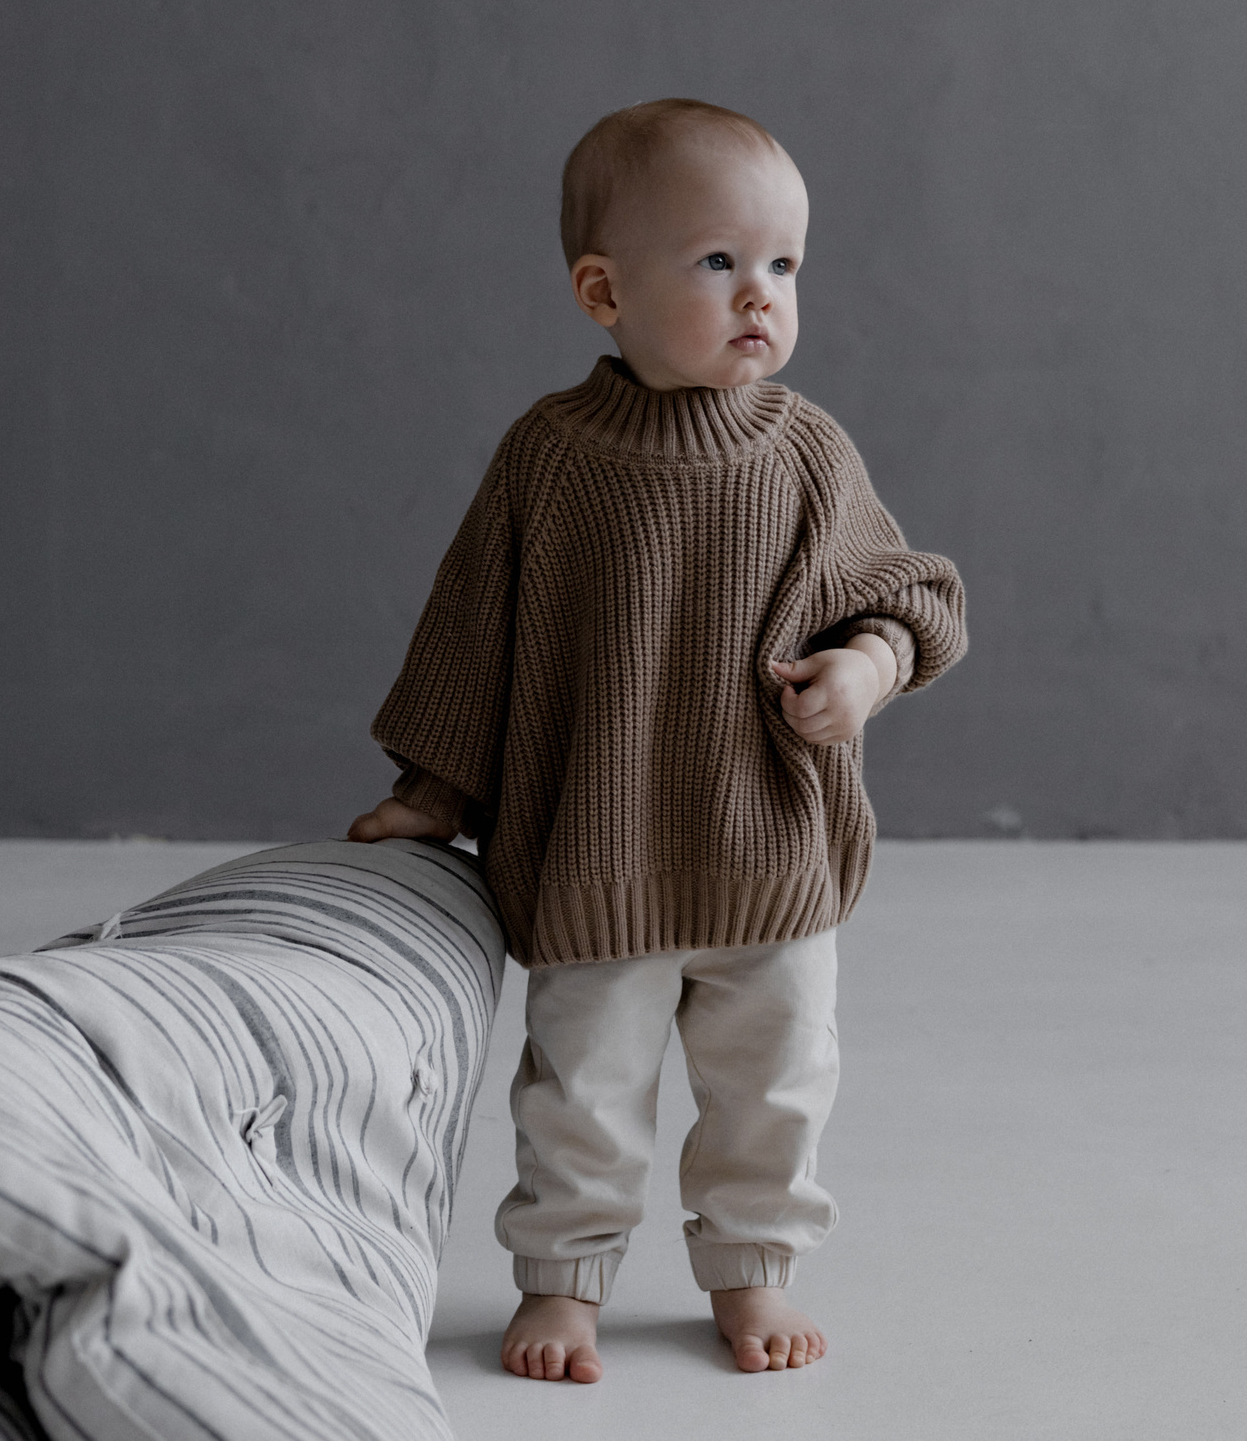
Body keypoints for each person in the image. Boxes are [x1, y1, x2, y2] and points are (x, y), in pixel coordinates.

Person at [349, 99, 965, 1382]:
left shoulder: (804, 453)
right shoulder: (553, 459)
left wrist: (867, 666)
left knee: (774, 1087)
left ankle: (753, 1267)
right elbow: (478, 632)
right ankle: (564, 1281)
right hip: (599, 853)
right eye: (719, 262)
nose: (762, 296)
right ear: (600, 290)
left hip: (770, 858)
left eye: (785, 265)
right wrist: (433, 788)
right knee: (580, 1094)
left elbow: (907, 591)